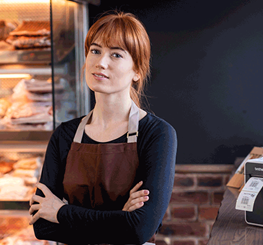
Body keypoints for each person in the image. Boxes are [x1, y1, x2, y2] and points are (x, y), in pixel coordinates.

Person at [28, 11, 177, 245]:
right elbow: (42, 226)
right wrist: (120, 220)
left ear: (137, 70)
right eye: (95, 51)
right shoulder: (64, 135)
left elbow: (140, 230)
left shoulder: (157, 134)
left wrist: (60, 213)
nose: (101, 62)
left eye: (116, 55)